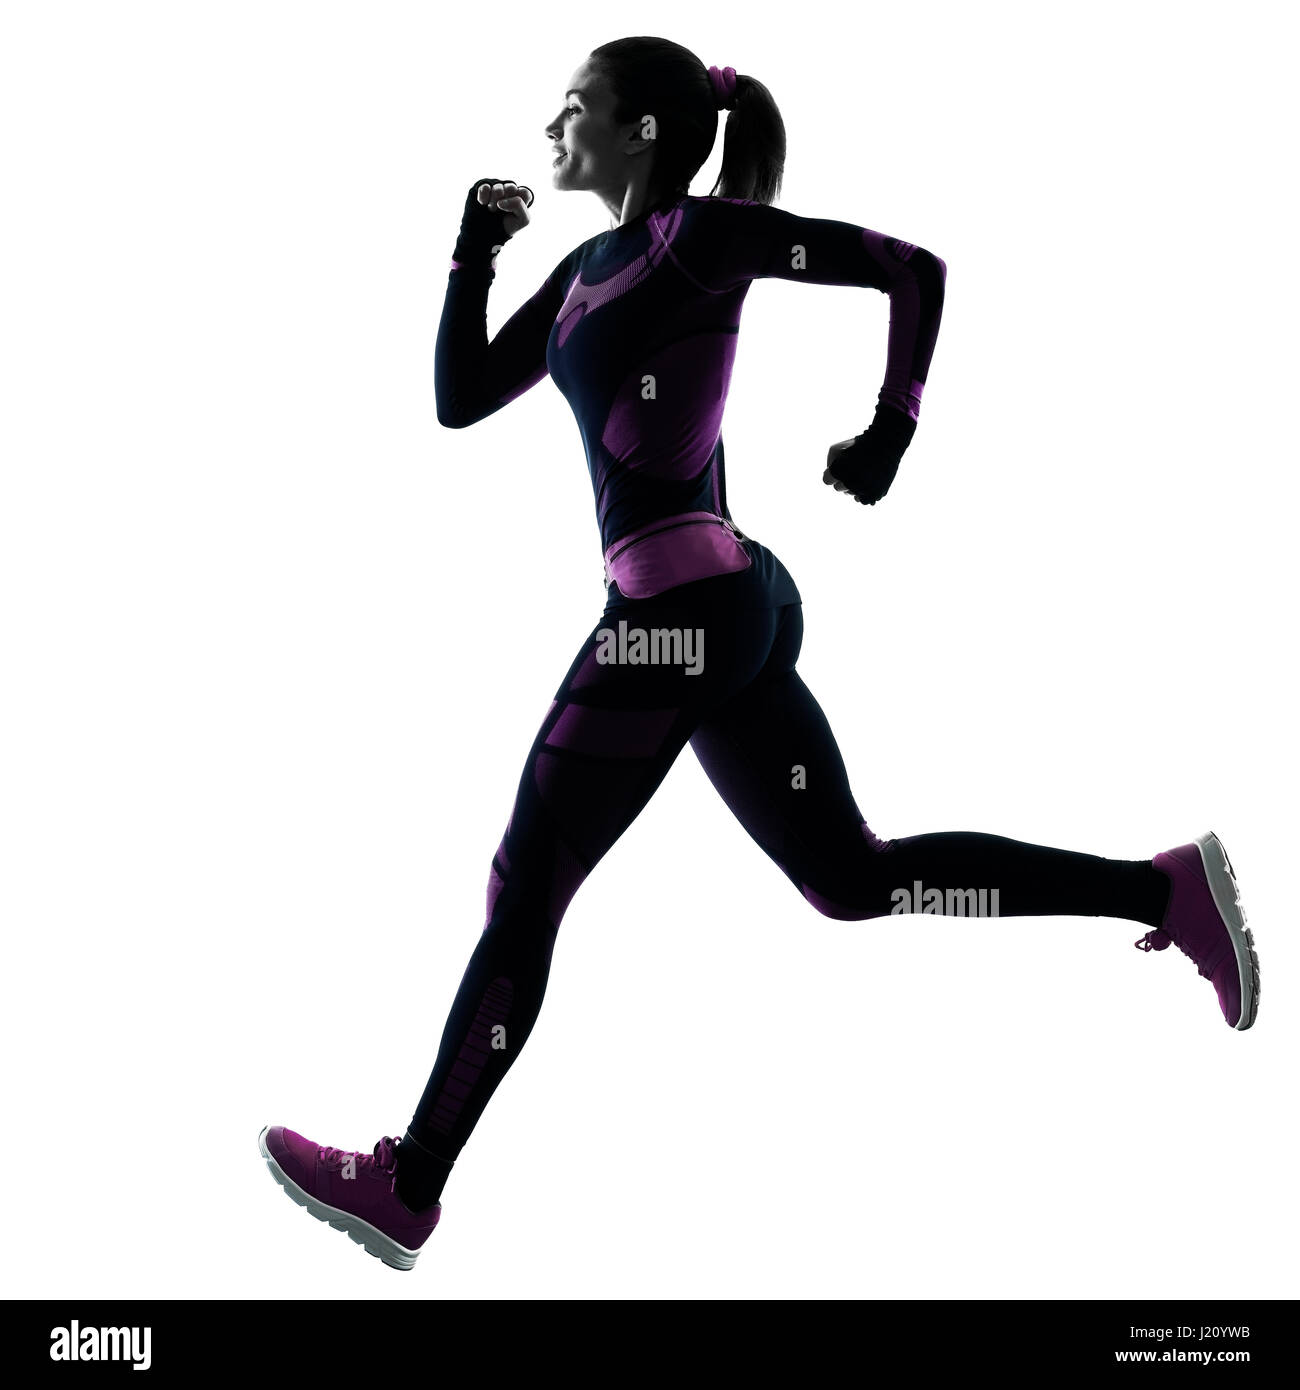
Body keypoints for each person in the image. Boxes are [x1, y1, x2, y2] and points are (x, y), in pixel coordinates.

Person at [258, 37, 1259, 1271]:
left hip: (684, 614)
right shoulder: (580, 275)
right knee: (851, 877)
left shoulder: (704, 239)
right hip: (729, 613)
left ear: (639, 133)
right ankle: (1161, 887)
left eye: (575, 108)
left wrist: (892, 427)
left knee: (525, 888)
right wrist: (472, 251)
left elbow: (911, 270)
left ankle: (408, 1182)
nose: (550, 127)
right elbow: (458, 395)